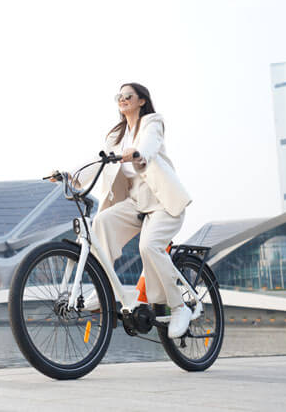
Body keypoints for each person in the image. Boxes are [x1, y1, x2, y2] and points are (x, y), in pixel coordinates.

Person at [66, 82, 193, 338]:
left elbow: (149, 144)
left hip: (162, 204)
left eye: (128, 96)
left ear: (141, 101)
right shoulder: (117, 136)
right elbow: (100, 161)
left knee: (148, 247)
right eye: (119, 97)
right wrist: (72, 176)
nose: (122, 100)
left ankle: (179, 307)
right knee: (101, 222)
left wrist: (137, 153)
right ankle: (107, 289)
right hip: (136, 204)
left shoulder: (152, 123)